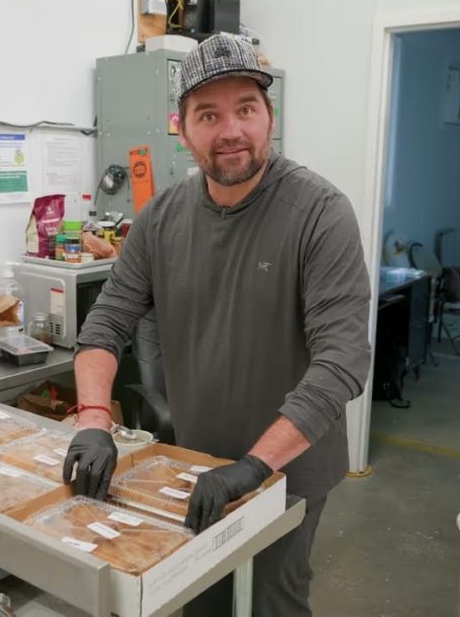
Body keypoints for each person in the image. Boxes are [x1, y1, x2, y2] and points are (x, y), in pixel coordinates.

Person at [63, 34, 371, 616]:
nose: (231, 130)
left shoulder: (320, 214)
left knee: (271, 604)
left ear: (269, 118)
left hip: (288, 471)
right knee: (199, 595)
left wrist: (253, 468)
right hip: (196, 463)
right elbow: (105, 323)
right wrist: (94, 420)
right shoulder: (159, 219)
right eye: (209, 114)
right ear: (180, 127)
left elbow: (342, 362)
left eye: (246, 109)